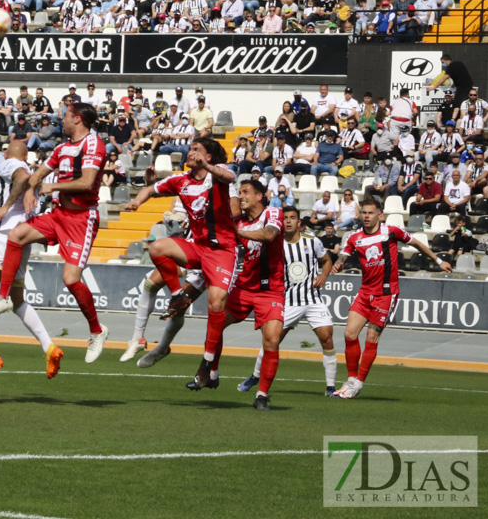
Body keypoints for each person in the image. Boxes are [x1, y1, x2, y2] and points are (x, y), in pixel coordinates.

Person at [0, 103, 109, 363]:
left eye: (65, 116)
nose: (60, 120)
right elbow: (37, 175)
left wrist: (52, 186)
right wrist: (31, 189)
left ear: (77, 119)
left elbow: (86, 182)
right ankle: (4, 297)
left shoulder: (93, 144)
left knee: (71, 279)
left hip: (82, 219)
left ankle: (97, 331)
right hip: (58, 215)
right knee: (17, 234)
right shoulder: (61, 148)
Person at [125, 137, 237, 381]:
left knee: (215, 305)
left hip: (222, 251)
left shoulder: (218, 173)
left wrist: (207, 168)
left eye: (196, 149)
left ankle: (208, 364)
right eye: (190, 148)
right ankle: (172, 300)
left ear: (208, 157)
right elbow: (150, 190)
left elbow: (230, 178)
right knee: (156, 248)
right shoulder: (180, 180)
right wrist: (137, 201)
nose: (190, 152)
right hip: (197, 247)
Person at [331, 198, 453, 399]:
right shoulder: (354, 237)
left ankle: (359, 382)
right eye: (364, 213)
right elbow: (343, 255)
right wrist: (339, 264)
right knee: (349, 334)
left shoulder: (391, 231)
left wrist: (438, 260)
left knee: (372, 337)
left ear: (380, 215)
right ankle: (351, 380)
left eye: (371, 213)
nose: (367, 217)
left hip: (386, 294)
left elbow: (417, 243)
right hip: (365, 293)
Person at [183, 179, 284, 411]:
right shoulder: (236, 221)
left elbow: (269, 235)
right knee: (215, 321)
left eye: (246, 192)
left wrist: (236, 231)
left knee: (272, 340)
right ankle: (212, 373)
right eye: (239, 192)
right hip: (243, 287)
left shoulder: (273, 212)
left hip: (271, 291)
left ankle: (261, 396)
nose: (241, 196)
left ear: (260, 196)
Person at [0, 141, 63, 380]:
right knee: (17, 299)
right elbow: (15, 196)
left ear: (8, 153)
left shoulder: (12, 164)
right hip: (22, 238)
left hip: (2, 237)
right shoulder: (32, 175)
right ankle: (49, 346)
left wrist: (3, 207)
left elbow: (17, 181)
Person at [238, 205, 339, 397]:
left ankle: (331, 387)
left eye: (293, 218)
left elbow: (326, 261)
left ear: (299, 222)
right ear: (280, 222)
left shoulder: (312, 241)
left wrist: (324, 277)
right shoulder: (274, 244)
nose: (289, 221)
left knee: (327, 337)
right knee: (271, 340)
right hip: (287, 301)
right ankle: (255, 376)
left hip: (312, 300)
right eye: (285, 218)